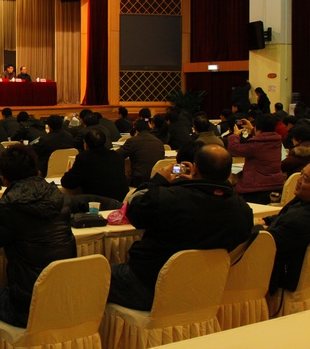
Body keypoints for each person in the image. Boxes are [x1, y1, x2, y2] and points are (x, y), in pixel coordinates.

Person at [108, 144, 253, 311]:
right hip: (203, 290)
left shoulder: (169, 199)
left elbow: (133, 209)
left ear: (194, 168)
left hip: (148, 285)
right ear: (228, 174)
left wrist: (159, 180)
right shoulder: (242, 211)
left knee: (88, 276)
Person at [0, 144, 76, 327]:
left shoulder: (9, 206)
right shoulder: (60, 197)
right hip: (61, 297)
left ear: (4, 180)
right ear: (37, 171)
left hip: (26, 307)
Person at [259, 164, 310, 295]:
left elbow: (265, 243)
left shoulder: (299, 221)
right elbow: (284, 215)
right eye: (301, 173)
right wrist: (267, 220)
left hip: (278, 278)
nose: (299, 180)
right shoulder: (302, 202)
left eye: (305, 179)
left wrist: (258, 227)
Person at [228, 114, 285, 204]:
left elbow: (234, 149)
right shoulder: (276, 141)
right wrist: (252, 129)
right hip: (275, 185)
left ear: (258, 128)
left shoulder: (256, 145)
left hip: (256, 189)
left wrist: (235, 135)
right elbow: (263, 137)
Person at [61, 127, 129, 201]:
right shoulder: (116, 155)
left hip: (99, 201)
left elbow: (67, 182)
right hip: (122, 199)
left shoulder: (84, 158)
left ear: (86, 144)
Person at [117, 119, 165, 187]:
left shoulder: (132, 141)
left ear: (136, 132)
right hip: (157, 179)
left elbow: (117, 155)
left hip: (140, 180)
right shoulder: (159, 142)